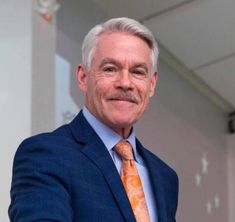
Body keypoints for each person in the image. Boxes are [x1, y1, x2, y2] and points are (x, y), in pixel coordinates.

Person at [9, 17, 178, 222]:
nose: (125, 83)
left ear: (151, 84)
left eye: (137, 72)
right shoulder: (45, 154)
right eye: (110, 69)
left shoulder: (165, 177)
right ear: (83, 77)